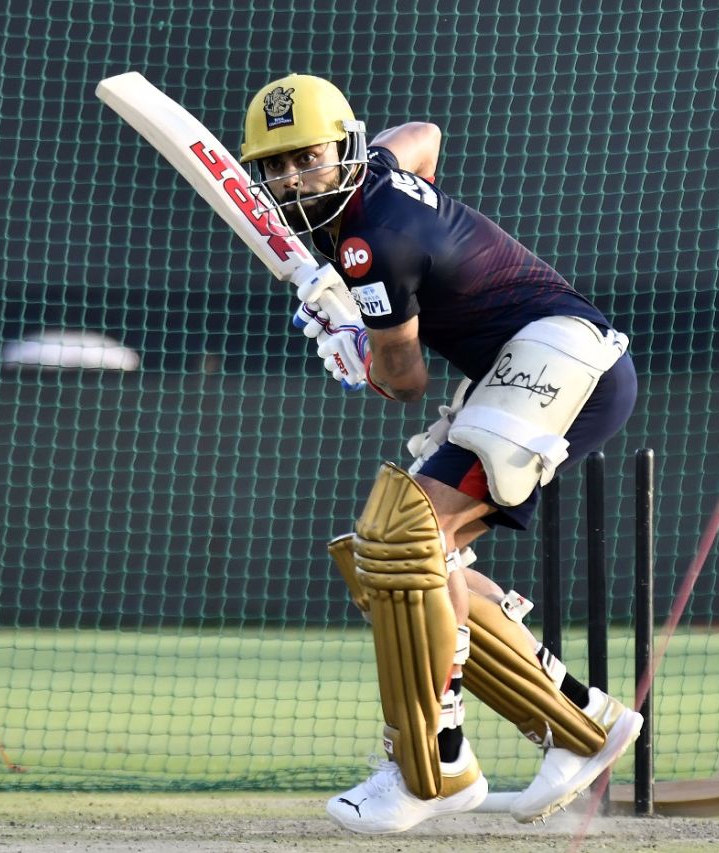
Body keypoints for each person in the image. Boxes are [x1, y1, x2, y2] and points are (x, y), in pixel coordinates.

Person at [237, 75, 642, 833]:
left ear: (344, 147)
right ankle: (581, 724)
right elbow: (421, 133)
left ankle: (434, 765)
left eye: (308, 158)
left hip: (564, 362)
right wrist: (367, 301)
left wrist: (356, 344)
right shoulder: (378, 171)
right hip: (527, 365)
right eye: (277, 165)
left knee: (403, 536)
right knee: (398, 553)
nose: (293, 178)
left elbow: (408, 380)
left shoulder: (370, 241)